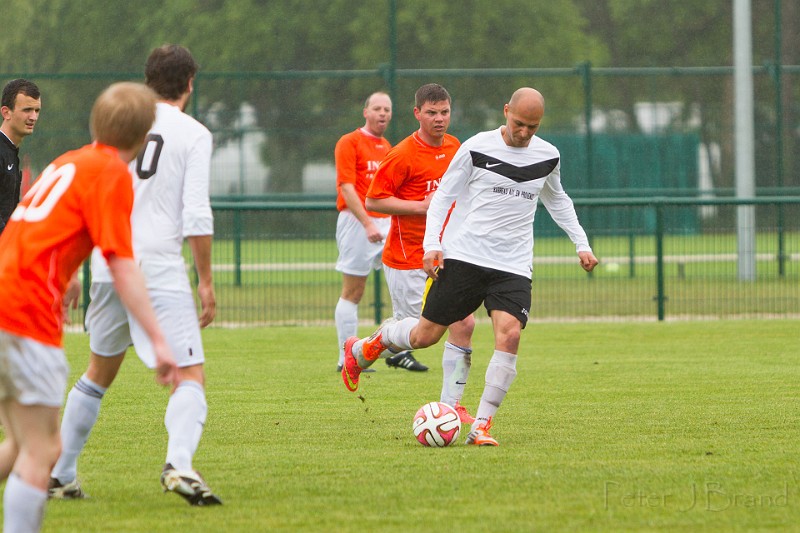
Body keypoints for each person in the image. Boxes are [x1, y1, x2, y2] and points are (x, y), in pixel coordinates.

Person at [344, 87, 599, 446]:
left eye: (533, 127)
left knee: (509, 334)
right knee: (424, 336)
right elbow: (443, 197)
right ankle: (372, 344)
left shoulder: (548, 155)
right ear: (506, 111)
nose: (525, 133)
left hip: (513, 264)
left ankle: (480, 426)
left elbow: (558, 200)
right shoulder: (476, 147)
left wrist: (581, 243)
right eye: (519, 124)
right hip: (465, 257)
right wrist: (432, 246)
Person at [0, 82, 178, 533]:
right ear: (143, 136)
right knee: (44, 451)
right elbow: (122, 265)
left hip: (4, 297)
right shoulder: (111, 172)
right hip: (24, 311)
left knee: (20, 443)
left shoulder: (68, 160)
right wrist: (159, 341)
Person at [49, 44, 221, 506]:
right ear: (190, 83)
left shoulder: (121, 128)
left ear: (147, 81)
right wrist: (205, 280)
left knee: (99, 371)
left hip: (107, 264)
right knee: (190, 374)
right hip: (158, 268)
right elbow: (196, 215)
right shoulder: (194, 133)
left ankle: (60, 474)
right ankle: (179, 466)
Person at [348, 83, 476, 421]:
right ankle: (364, 347)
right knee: (419, 337)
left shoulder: (455, 147)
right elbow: (373, 200)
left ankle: (452, 405)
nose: (439, 119)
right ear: (417, 113)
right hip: (407, 259)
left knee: (464, 321)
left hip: (446, 254)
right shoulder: (403, 154)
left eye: (444, 112)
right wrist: (421, 207)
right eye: (431, 113)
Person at [333, 92, 393, 373]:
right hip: (357, 222)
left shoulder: (387, 147)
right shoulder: (350, 141)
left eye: (387, 109)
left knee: (404, 282)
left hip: (387, 222)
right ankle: (347, 355)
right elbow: (347, 187)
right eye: (377, 108)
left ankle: (397, 349)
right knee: (353, 291)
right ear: (365, 112)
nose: (383, 114)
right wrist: (368, 223)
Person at [0, 78, 41, 234]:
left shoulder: (10, 151)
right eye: (27, 110)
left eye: (37, 110)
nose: (33, 117)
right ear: (6, 112)